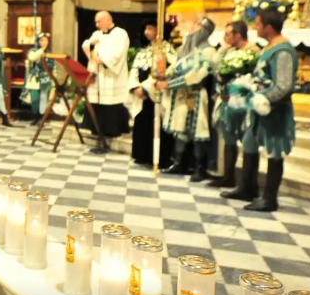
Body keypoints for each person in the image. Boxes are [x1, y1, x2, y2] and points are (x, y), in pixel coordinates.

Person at [228, 7, 297, 212]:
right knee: (249, 143)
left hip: (274, 109)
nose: (255, 27)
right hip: (258, 108)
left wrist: (263, 98)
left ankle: (270, 198)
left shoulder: (283, 50)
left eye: (257, 24)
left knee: (275, 151)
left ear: (267, 27)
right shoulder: (269, 47)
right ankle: (247, 187)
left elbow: (283, 85)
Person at [156, 17, 217, 180]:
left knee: (196, 131)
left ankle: (199, 167)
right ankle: (178, 163)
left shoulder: (208, 51)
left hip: (196, 95)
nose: (192, 27)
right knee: (180, 130)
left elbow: (196, 76)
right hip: (181, 95)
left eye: (197, 25)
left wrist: (169, 85)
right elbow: (174, 68)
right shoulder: (185, 49)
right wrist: (164, 76)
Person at [209, 20, 259, 189]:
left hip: (243, 100)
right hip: (226, 96)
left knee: (246, 138)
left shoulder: (253, 50)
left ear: (239, 35)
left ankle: (247, 183)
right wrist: (223, 50)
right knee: (227, 133)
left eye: (228, 34)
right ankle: (227, 176)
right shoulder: (228, 50)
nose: (225, 37)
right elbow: (215, 67)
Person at [127, 23, 176, 167]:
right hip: (141, 95)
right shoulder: (144, 51)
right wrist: (135, 87)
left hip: (157, 93)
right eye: (145, 29)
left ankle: (158, 157)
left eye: (150, 29)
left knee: (158, 124)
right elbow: (135, 70)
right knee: (142, 123)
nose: (146, 32)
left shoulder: (167, 50)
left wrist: (146, 87)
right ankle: (141, 154)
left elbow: (166, 72)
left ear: (158, 30)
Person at [83, 11, 131, 154]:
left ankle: (112, 130)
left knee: (110, 102)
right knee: (97, 100)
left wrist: (102, 59)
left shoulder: (121, 34)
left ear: (108, 19)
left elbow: (118, 52)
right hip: (98, 75)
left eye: (99, 22)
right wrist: (93, 53)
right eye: (96, 22)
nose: (96, 25)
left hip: (111, 75)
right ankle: (97, 129)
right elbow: (86, 44)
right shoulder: (97, 34)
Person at [21, 32, 55, 120]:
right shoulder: (33, 50)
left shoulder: (49, 53)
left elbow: (50, 66)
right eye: (42, 40)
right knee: (35, 98)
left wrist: (39, 63)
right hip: (34, 78)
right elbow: (32, 58)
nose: (44, 42)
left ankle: (41, 117)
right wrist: (41, 51)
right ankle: (35, 116)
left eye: (46, 40)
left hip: (45, 78)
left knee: (44, 98)